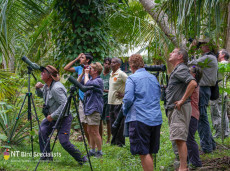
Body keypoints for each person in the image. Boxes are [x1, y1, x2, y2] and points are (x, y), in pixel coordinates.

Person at [36, 65, 87, 164]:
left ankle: (82, 159)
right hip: (52, 116)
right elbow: (42, 95)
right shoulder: (47, 85)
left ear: (50, 76)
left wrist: (52, 116)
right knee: (42, 131)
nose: (41, 73)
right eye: (41, 71)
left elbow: (64, 105)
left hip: (63, 117)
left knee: (64, 142)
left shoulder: (56, 88)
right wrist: (38, 89)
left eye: (44, 72)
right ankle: (46, 157)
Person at [123, 54, 162, 171]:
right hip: (155, 118)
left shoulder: (132, 78)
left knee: (143, 152)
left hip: (140, 118)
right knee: (150, 150)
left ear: (131, 65)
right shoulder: (153, 78)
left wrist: (125, 110)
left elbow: (128, 98)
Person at [166, 48, 197, 171]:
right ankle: (182, 166)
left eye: (173, 52)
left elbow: (193, 83)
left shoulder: (181, 69)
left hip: (179, 109)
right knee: (177, 138)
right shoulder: (178, 70)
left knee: (180, 139)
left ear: (180, 57)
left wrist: (182, 100)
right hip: (175, 109)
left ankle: (183, 168)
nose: (170, 53)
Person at [189, 38, 218, 153]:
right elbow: (194, 67)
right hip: (205, 89)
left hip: (204, 89)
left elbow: (191, 64)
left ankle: (206, 147)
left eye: (202, 45)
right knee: (203, 117)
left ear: (208, 47)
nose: (200, 47)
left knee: (201, 118)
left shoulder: (208, 58)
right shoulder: (208, 58)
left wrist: (191, 50)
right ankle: (211, 144)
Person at [64, 53, 93, 144]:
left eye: (82, 58)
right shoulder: (80, 68)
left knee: (91, 123)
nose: (80, 59)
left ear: (87, 60)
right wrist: (76, 59)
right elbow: (66, 68)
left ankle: (94, 143)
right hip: (81, 98)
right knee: (83, 122)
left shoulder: (92, 68)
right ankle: (89, 142)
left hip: (90, 99)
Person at [78, 62, 104, 157]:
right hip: (88, 108)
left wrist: (86, 74)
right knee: (89, 130)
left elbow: (87, 84)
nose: (89, 70)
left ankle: (99, 151)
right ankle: (92, 150)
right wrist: (83, 73)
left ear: (96, 71)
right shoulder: (91, 78)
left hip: (95, 108)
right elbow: (78, 82)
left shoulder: (98, 81)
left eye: (91, 69)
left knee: (95, 131)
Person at [108, 57, 128, 146]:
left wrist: (124, 95)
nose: (111, 64)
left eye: (114, 63)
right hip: (111, 102)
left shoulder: (121, 74)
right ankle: (114, 141)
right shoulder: (111, 74)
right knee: (112, 123)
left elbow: (131, 84)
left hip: (119, 103)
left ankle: (120, 142)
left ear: (119, 65)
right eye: (111, 62)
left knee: (120, 123)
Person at [210, 49, 229, 138]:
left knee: (216, 112)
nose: (217, 54)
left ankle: (219, 132)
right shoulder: (226, 64)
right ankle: (226, 132)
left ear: (223, 55)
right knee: (223, 112)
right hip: (223, 91)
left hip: (219, 92)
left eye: (219, 53)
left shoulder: (222, 64)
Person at [187, 66, 203, 169]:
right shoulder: (195, 84)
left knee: (190, 139)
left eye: (189, 71)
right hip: (193, 113)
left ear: (194, 74)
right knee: (188, 138)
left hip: (192, 114)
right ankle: (191, 161)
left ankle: (196, 162)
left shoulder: (193, 84)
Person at [99, 58, 112, 144]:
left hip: (108, 98)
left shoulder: (111, 75)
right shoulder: (100, 74)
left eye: (109, 63)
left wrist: (103, 90)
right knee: (99, 119)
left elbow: (112, 89)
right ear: (103, 64)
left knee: (108, 119)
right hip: (99, 98)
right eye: (106, 63)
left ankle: (108, 138)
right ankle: (100, 137)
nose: (107, 65)